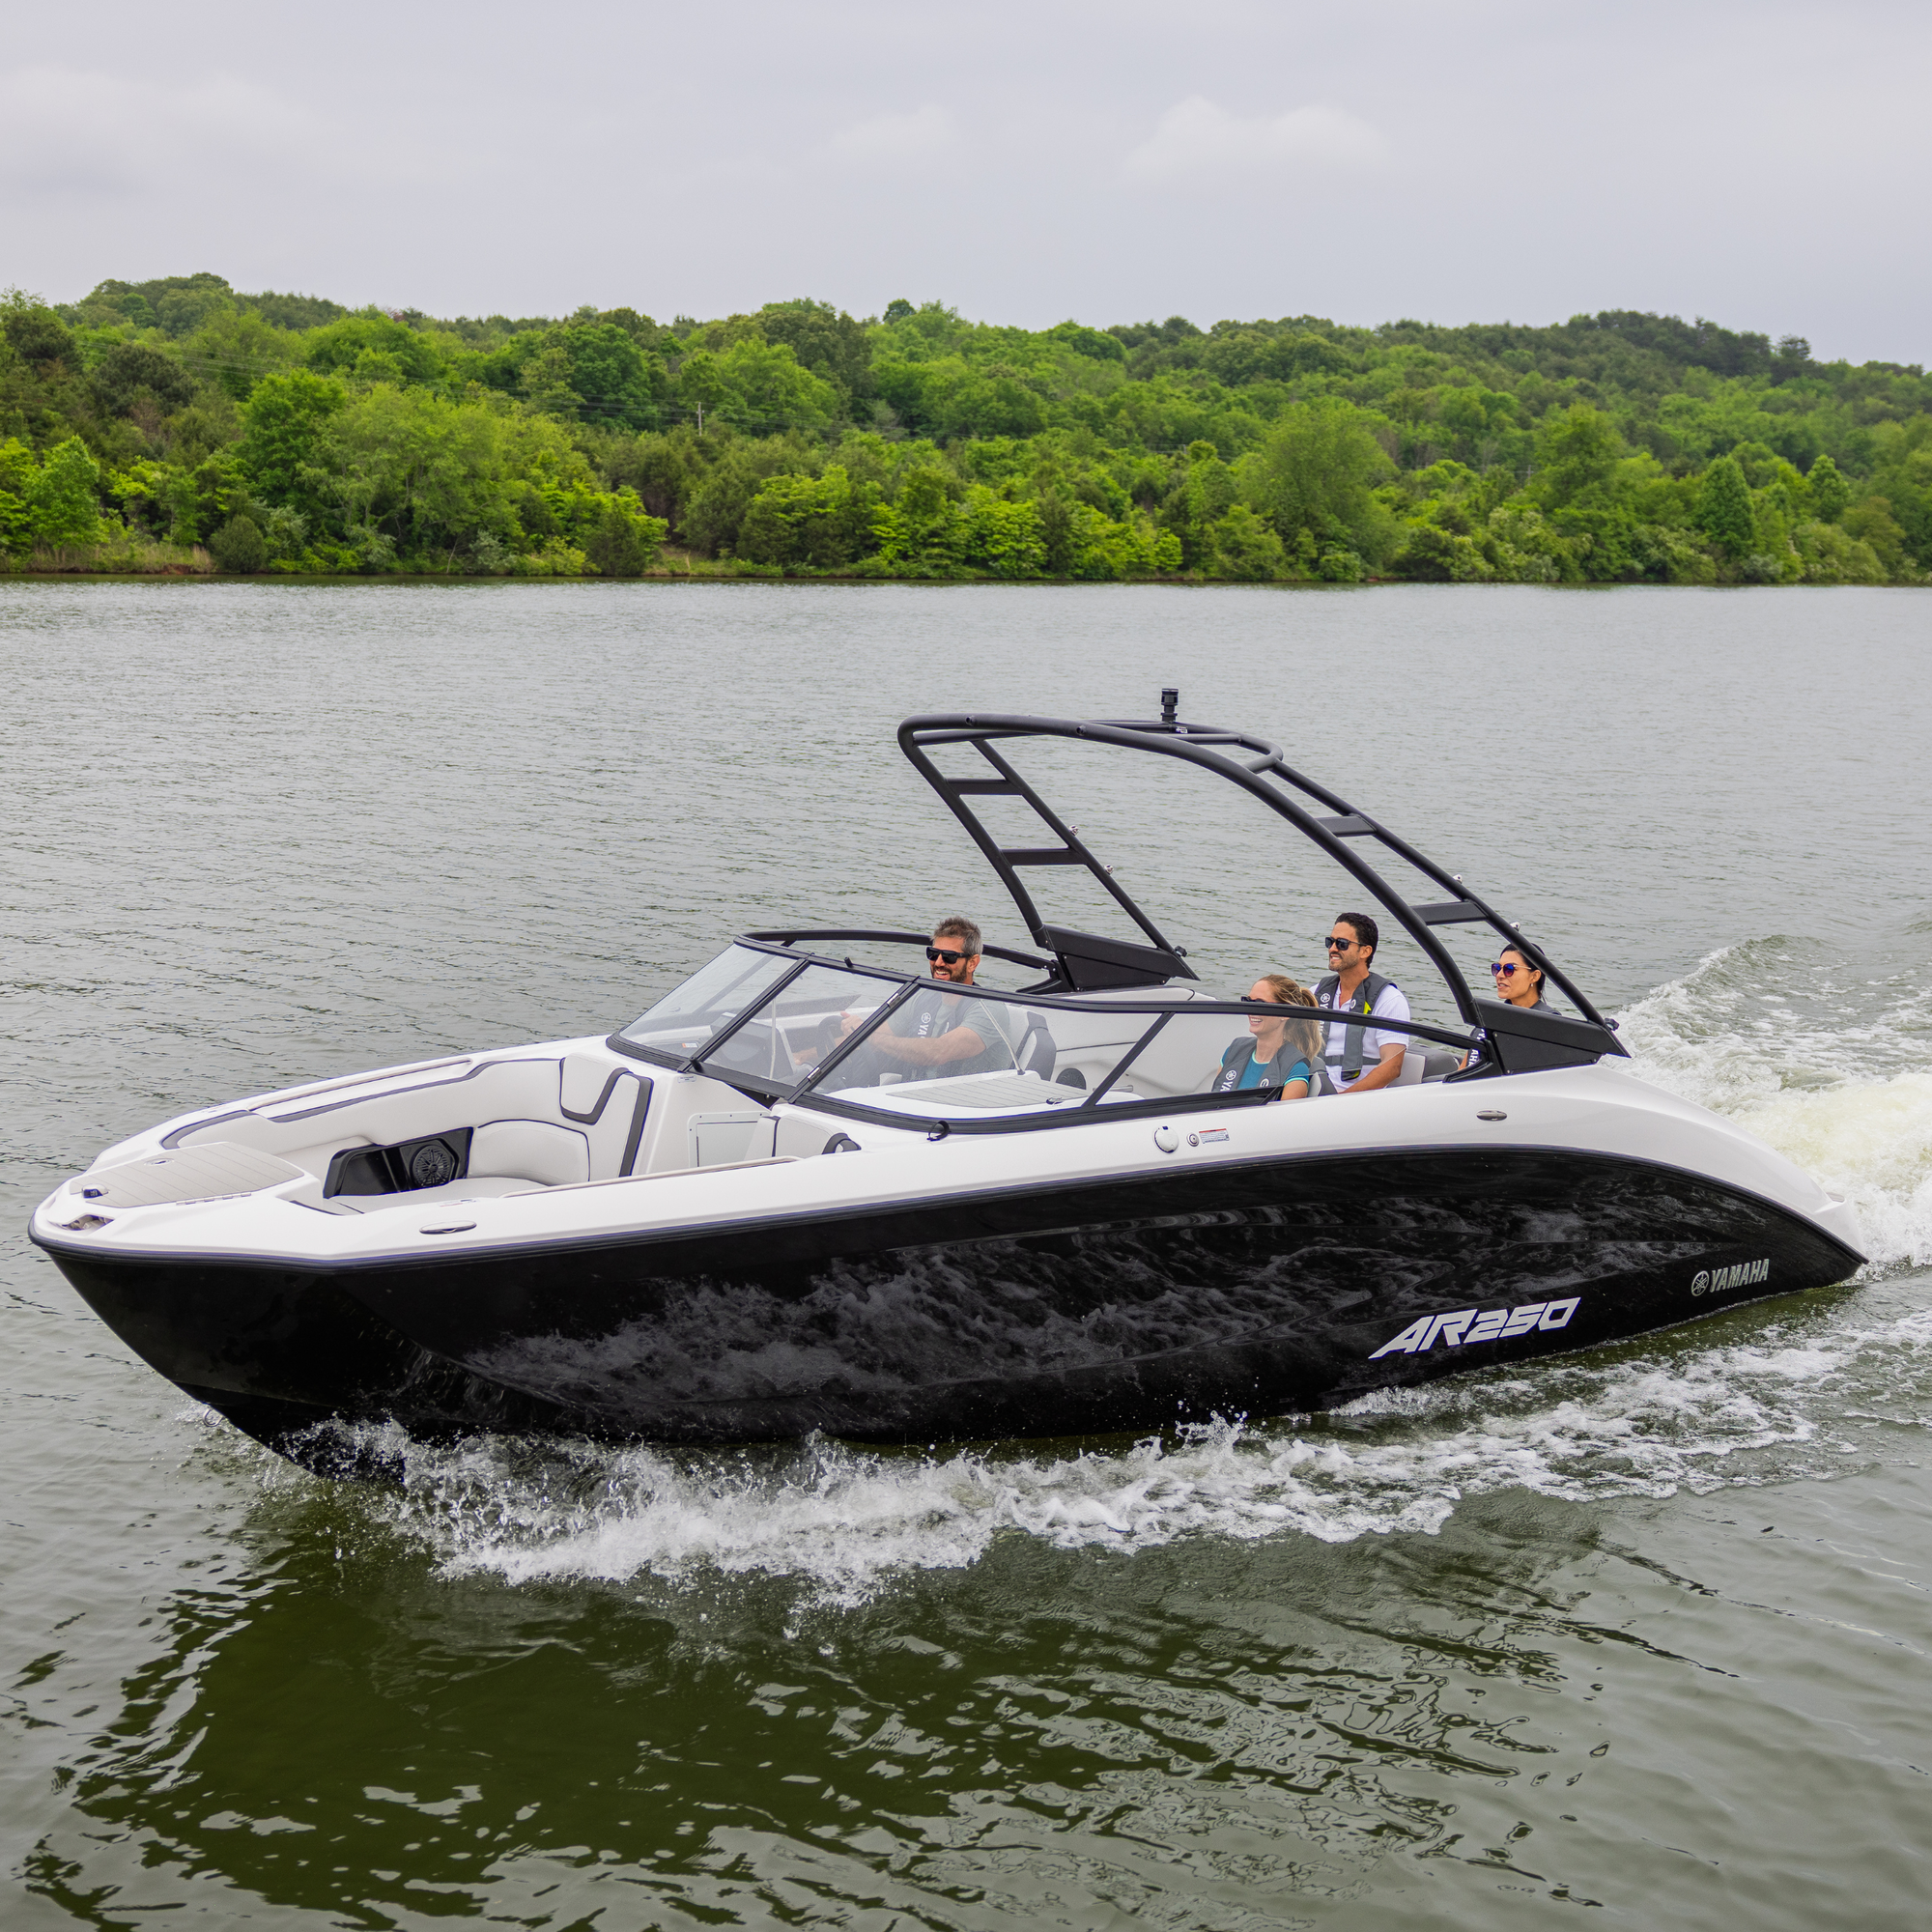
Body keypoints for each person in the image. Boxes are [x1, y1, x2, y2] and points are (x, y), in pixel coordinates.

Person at [837, 918, 1024, 1082]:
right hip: (913, 1095)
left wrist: (869, 1037)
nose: (939, 963)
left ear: (972, 963)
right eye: (933, 954)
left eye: (949, 957)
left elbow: (938, 1052)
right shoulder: (920, 997)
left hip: (962, 1105)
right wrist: (851, 1033)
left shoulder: (989, 1009)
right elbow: (877, 1034)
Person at [1316, 912, 1409, 1096]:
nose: (1332, 948)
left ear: (1365, 951)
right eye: (1330, 942)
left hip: (1353, 1100)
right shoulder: (1317, 993)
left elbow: (1392, 1066)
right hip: (1310, 1091)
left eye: (1342, 944)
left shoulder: (1389, 1000)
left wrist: (1339, 1101)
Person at [1209, 977, 1321, 1097]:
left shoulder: (1296, 1068)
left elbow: (1288, 1110)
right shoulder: (1235, 1050)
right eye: (1248, 1001)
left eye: (1260, 1004)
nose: (1251, 1010)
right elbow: (1214, 1100)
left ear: (1285, 1014)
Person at [1460, 944, 1553, 1070]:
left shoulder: (1548, 1024)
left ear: (1534, 976)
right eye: (1497, 968)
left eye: (1509, 969)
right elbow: (1464, 1069)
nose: (1499, 975)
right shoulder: (1491, 1018)